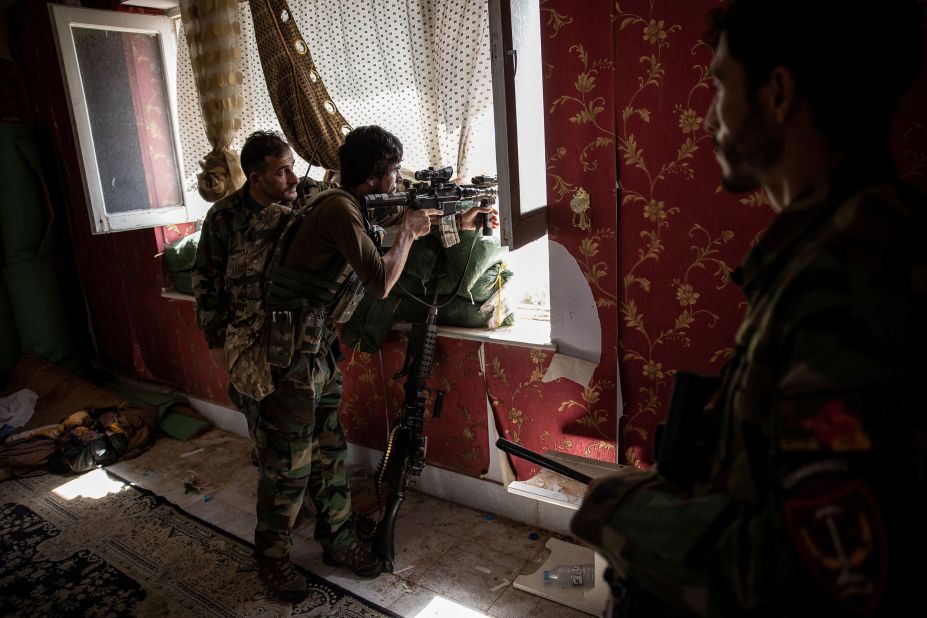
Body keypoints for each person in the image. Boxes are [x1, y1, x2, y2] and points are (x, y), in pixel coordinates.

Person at [571, 1, 926, 616]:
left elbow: (823, 580)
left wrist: (616, 509)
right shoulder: (839, 242)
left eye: (719, 87)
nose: (707, 118)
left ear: (779, 92)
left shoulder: (849, 278)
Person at [192, 128, 493, 602]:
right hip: (283, 354)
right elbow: (379, 281)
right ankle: (271, 557)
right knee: (288, 465)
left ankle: (338, 540)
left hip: (315, 349)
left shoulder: (338, 201)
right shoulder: (335, 208)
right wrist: (411, 231)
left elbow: (383, 228)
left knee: (330, 450)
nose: (400, 181)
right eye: (394, 173)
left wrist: (457, 216)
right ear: (374, 178)